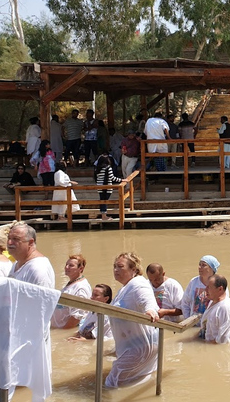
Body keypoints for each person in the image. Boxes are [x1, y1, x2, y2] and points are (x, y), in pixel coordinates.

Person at [106, 252, 160, 388]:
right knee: (127, 383)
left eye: (120, 267)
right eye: (114, 266)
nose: (115, 270)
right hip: (133, 345)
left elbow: (148, 301)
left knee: (112, 384)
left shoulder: (138, 284)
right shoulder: (125, 287)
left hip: (140, 348)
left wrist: (151, 310)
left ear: (134, 270)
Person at [7, 222, 56, 288]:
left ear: (30, 242)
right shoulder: (17, 262)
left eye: (16, 239)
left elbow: (41, 297)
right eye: (9, 238)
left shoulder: (38, 269)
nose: (9, 242)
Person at [51, 254, 91, 329]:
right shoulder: (72, 283)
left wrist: (63, 331)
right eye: (66, 265)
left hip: (66, 331)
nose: (66, 267)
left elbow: (77, 317)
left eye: (71, 265)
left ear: (81, 268)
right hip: (57, 328)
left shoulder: (81, 288)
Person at [200, 274, 230, 344]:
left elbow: (223, 340)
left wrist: (204, 346)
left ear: (220, 289)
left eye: (209, 287)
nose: (205, 289)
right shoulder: (212, 301)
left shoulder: (225, 308)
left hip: (221, 351)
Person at [182, 255, 221, 325]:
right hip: (193, 323)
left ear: (212, 269)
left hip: (210, 325)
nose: (200, 267)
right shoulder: (193, 282)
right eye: (199, 265)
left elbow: (222, 305)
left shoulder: (219, 283)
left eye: (203, 265)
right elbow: (185, 302)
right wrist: (187, 320)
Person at [94, 154, 124, 220]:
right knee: (105, 201)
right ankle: (104, 216)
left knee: (102, 200)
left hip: (99, 186)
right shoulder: (108, 168)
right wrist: (121, 180)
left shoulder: (97, 168)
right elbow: (112, 178)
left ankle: (103, 215)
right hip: (107, 186)